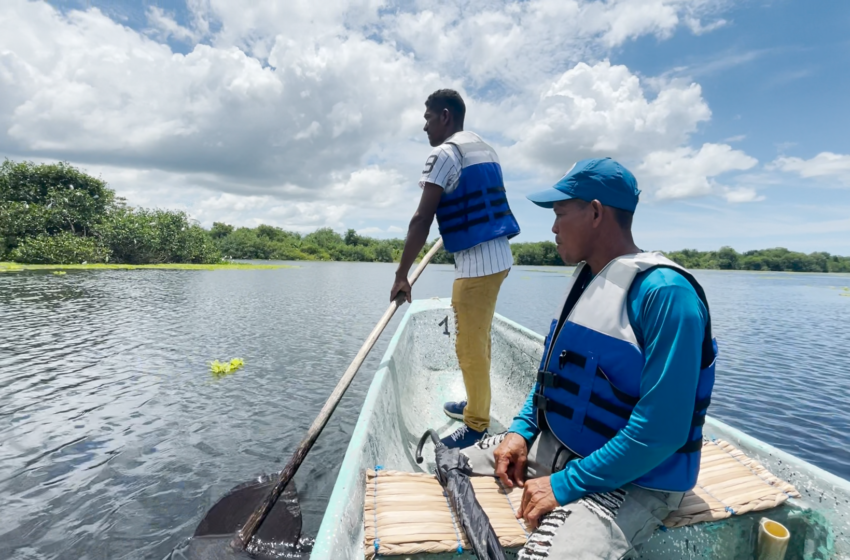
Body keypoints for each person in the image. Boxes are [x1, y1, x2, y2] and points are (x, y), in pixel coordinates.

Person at [460, 157, 718, 559]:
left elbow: (662, 431)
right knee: (450, 464)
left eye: (560, 213)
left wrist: (564, 484)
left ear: (596, 213)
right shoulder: (587, 279)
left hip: (637, 479)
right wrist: (521, 432)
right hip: (563, 449)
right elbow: (550, 379)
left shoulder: (666, 295)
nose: (553, 228)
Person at [390, 89, 521, 449]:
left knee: (468, 346)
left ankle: (476, 424)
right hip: (498, 259)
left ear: (445, 115)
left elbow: (421, 219)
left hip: (478, 266)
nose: (425, 127)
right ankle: (475, 403)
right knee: (478, 339)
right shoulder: (483, 148)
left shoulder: (445, 154)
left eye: (428, 118)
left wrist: (402, 275)